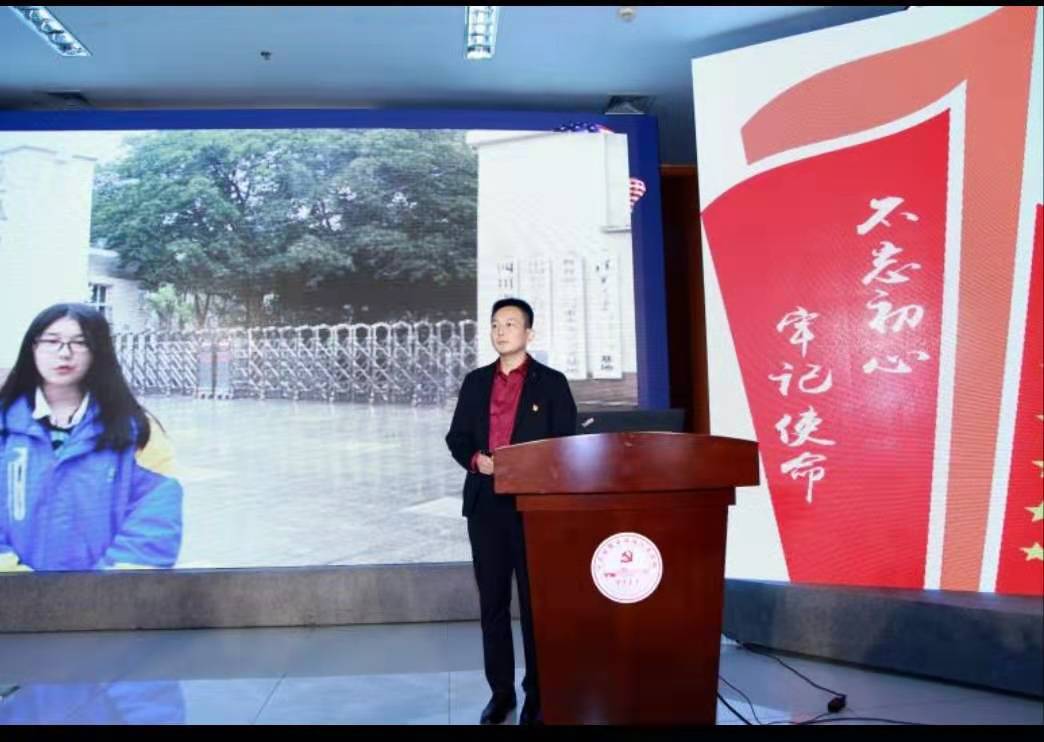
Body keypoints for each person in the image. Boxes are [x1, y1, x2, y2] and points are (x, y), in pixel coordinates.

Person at [445, 297, 577, 725]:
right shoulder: (475, 382)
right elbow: (457, 437)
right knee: (493, 605)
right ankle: (500, 693)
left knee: (536, 606)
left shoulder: (551, 384)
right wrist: (476, 461)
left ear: (529, 334)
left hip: (532, 509)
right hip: (485, 505)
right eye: (495, 324)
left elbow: (566, 445)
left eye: (510, 324)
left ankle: (537, 694)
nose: (501, 331)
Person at [0, 303, 183, 572]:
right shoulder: (5, 426)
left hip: (107, 594)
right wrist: (21, 584)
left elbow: (156, 517)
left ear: (99, 352)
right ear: (32, 347)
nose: (65, 353)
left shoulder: (139, 430)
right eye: (52, 341)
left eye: (80, 342)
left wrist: (98, 590)